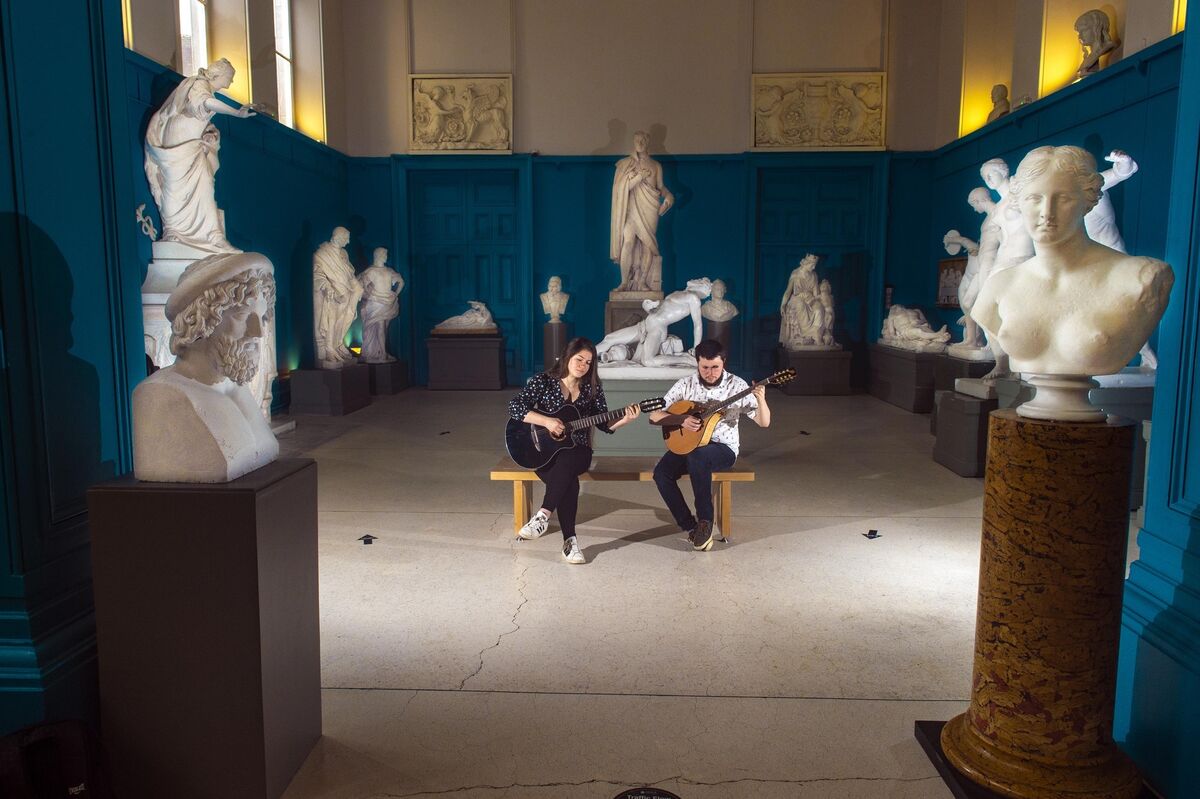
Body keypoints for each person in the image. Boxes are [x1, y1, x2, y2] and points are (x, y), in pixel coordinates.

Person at [972, 145, 1173, 386]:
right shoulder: (999, 285)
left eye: (1064, 198)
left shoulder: (1141, 276)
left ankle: (1147, 355)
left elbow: (1120, 173)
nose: (1047, 212)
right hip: (1028, 408)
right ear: (1020, 203)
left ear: (1088, 201)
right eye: (1034, 198)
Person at [133, 252, 279, 482]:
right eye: (242, 316)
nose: (258, 333)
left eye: (260, 318)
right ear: (201, 322)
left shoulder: (235, 389)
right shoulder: (160, 395)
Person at [507, 338, 641, 564]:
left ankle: (543, 516)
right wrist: (548, 422)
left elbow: (604, 424)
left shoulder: (592, 388)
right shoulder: (544, 381)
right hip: (542, 451)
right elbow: (515, 407)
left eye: (588, 362)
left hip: (579, 451)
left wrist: (626, 419)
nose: (583, 366)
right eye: (579, 359)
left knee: (568, 458)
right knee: (569, 480)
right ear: (567, 356)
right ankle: (570, 542)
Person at [648, 339, 770, 552]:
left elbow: (764, 422)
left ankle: (705, 520)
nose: (710, 372)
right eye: (705, 367)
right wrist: (681, 420)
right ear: (697, 363)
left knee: (699, 457)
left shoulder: (737, 386)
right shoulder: (686, 384)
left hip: (723, 448)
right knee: (661, 473)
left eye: (715, 367)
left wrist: (761, 399)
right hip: (690, 443)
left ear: (724, 363)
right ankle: (690, 527)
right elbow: (654, 416)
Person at [143, 58, 255, 254]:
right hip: (180, 144)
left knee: (202, 184)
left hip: (191, 143)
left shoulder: (199, 87)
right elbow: (203, 103)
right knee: (177, 186)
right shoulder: (199, 85)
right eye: (230, 77)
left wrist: (210, 134)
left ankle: (214, 236)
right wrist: (236, 113)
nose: (231, 82)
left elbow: (201, 117)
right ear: (218, 75)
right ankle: (175, 231)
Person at [610, 130, 675, 292]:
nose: (639, 143)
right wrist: (638, 177)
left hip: (650, 208)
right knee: (628, 241)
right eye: (636, 140)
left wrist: (669, 196)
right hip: (630, 209)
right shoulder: (625, 164)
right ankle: (624, 282)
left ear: (647, 142)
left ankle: (643, 282)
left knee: (648, 245)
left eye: (642, 140)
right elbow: (619, 190)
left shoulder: (655, 165)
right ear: (633, 142)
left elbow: (660, 187)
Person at [596, 278, 711, 367]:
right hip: (645, 324)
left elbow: (698, 325)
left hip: (657, 329)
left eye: (703, 283)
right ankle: (586, 358)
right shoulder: (679, 293)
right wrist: (648, 307)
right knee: (609, 338)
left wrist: (697, 348)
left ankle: (687, 360)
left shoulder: (694, 299)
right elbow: (659, 310)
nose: (699, 281)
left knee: (648, 361)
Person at [313, 227, 363, 368]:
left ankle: (338, 343)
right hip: (333, 293)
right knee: (331, 320)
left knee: (348, 316)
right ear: (338, 237)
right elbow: (317, 274)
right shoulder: (321, 254)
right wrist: (327, 286)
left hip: (348, 291)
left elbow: (349, 272)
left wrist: (357, 287)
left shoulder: (343, 253)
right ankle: (329, 348)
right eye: (346, 238)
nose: (348, 242)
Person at [357, 247, 404, 363]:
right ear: (378, 255)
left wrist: (395, 294)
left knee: (384, 328)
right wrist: (373, 295)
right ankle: (382, 354)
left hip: (387, 303)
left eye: (386, 254)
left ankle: (379, 351)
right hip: (375, 305)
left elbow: (401, 282)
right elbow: (359, 287)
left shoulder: (389, 271)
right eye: (384, 254)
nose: (386, 257)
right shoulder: (371, 271)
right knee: (380, 326)